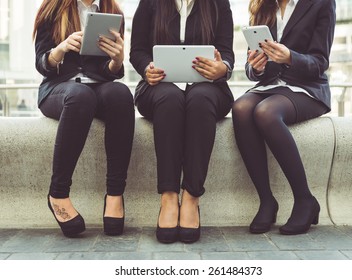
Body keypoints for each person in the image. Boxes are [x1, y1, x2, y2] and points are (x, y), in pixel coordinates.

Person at [130, 0, 234, 243]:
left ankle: (191, 197)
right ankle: (168, 197)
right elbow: (137, 51)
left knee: (200, 98)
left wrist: (222, 67)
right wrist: (147, 69)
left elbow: (227, 53)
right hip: (158, 87)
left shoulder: (219, 3)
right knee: (169, 98)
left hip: (208, 88)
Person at [232, 0, 335, 235]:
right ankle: (267, 201)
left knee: (265, 112)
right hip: (272, 86)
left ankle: (305, 199)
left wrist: (290, 57)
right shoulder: (263, 6)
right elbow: (252, 70)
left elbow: (320, 62)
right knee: (240, 108)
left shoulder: (322, 3)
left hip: (308, 88)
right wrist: (255, 67)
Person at [33, 0, 135, 237]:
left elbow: (108, 72)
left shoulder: (112, 12)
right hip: (58, 89)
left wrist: (117, 60)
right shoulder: (52, 8)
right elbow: (41, 64)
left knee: (120, 93)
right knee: (80, 96)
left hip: (97, 86)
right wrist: (62, 48)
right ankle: (57, 193)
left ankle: (115, 194)